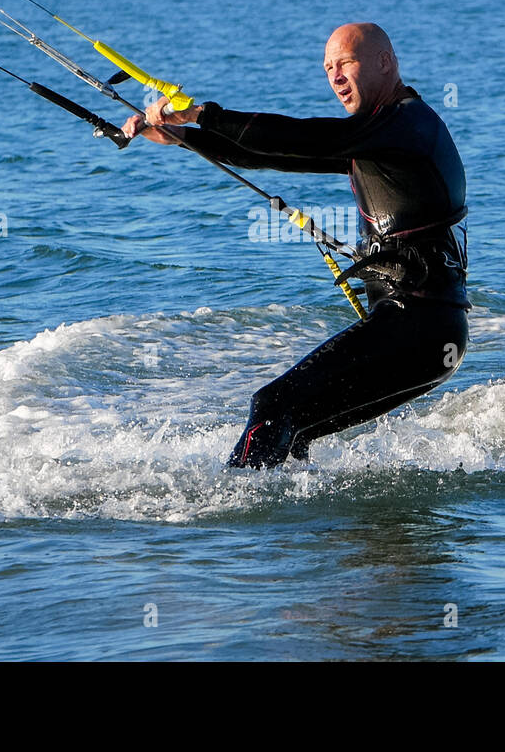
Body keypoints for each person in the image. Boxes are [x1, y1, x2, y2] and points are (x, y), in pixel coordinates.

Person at [122, 23, 469, 468]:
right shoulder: (381, 133)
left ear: (385, 62)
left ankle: (235, 514)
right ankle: (327, 532)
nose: (335, 77)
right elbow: (273, 155)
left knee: (271, 408)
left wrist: (204, 114)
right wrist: (186, 137)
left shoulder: (408, 124)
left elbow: (303, 137)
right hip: (426, 334)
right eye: (328, 68)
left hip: (419, 328)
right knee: (294, 428)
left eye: (345, 63)